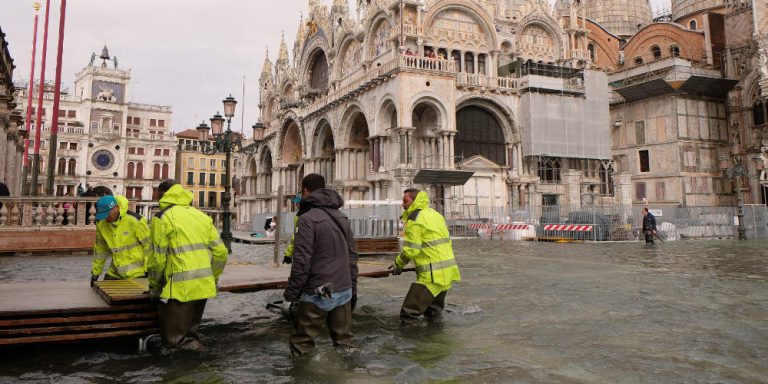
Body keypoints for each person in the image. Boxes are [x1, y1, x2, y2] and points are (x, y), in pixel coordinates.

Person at [147, 179, 228, 351]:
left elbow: (157, 259)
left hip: (177, 290)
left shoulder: (162, 218)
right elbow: (221, 253)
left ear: (162, 195)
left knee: (175, 342)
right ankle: (203, 370)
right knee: (190, 336)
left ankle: (185, 373)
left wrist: (154, 286)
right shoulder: (202, 216)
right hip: (203, 287)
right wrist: (212, 278)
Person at [284, 173, 358, 356]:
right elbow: (352, 256)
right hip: (344, 287)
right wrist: (353, 289)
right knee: (344, 344)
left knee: (301, 344)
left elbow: (301, 263)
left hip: (319, 291)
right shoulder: (341, 216)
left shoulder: (307, 219)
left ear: (305, 191)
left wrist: (290, 296)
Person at [390, 189, 460, 324]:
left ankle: (415, 345)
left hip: (431, 277)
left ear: (414, 201)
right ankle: (436, 342)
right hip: (446, 274)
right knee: (433, 314)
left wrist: (398, 265)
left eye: (405, 201)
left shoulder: (415, 219)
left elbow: (411, 251)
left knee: (408, 315)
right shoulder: (436, 215)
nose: (402, 204)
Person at [91, 195, 150, 286]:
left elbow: (148, 246)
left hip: (138, 271)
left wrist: (148, 270)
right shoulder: (101, 224)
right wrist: (96, 272)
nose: (106, 218)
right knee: (103, 294)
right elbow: (100, 250)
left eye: (107, 214)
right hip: (116, 271)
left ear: (116, 208)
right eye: (103, 215)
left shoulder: (135, 220)